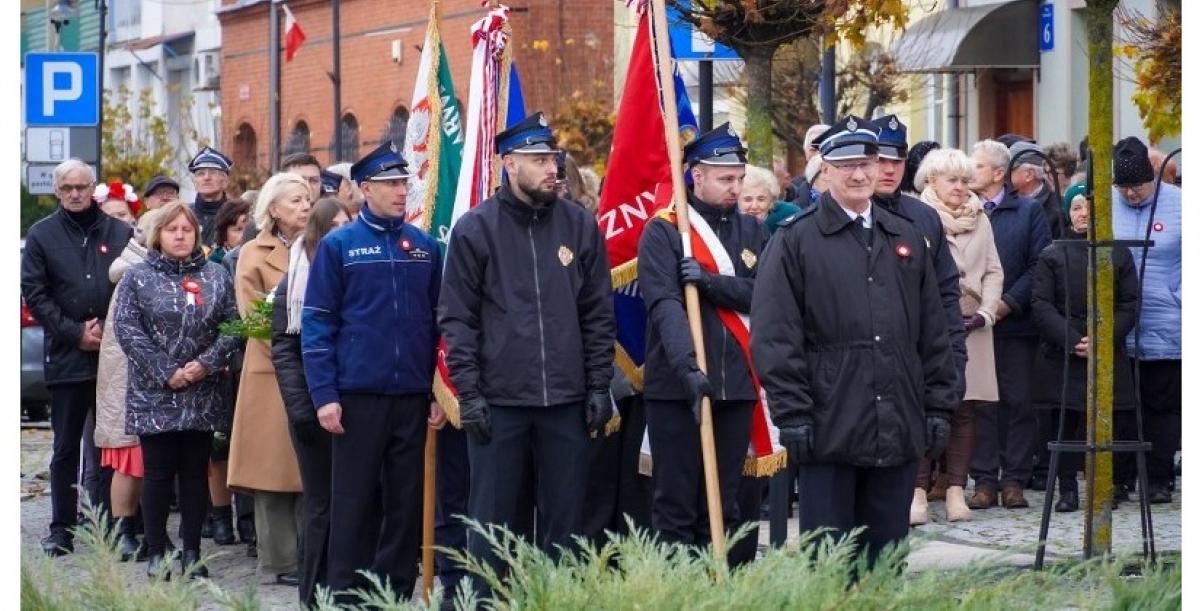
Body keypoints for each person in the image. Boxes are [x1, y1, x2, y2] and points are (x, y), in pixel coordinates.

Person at [751, 116, 957, 569]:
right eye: (847, 166)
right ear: (825, 170)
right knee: (830, 564)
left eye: (868, 163)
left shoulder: (904, 236)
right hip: (830, 424)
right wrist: (793, 413)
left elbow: (933, 328)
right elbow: (774, 336)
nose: (861, 174)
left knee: (886, 562)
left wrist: (940, 404)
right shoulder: (795, 240)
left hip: (897, 420)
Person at [439, 112, 614, 593]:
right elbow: (457, 317)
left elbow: (597, 312)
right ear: (508, 163)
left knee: (565, 524)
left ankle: (557, 602)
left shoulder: (578, 226)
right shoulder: (476, 229)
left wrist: (598, 383)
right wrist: (469, 393)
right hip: (500, 401)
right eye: (538, 160)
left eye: (552, 159)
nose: (551, 169)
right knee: (492, 526)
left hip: (565, 400)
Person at [304, 142, 445, 601]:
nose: (402, 191)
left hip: (411, 396)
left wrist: (439, 392)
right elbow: (318, 321)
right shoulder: (338, 245)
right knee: (354, 501)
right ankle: (345, 593)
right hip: (356, 396)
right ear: (365, 189)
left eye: (404, 182)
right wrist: (324, 394)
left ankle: (396, 591)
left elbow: (439, 322)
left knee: (405, 503)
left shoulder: (424, 247)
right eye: (390, 184)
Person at [635, 122, 765, 557]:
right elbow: (664, 303)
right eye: (726, 178)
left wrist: (711, 284)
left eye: (739, 178)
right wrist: (688, 367)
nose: (735, 187)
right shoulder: (666, 230)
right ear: (696, 175)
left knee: (728, 502)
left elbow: (764, 296)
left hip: (737, 383)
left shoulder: (752, 231)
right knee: (675, 504)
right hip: (678, 386)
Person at [112, 201, 239, 579]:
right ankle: (156, 551)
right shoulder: (138, 277)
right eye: (172, 230)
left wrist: (204, 364)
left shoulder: (216, 275)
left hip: (203, 388)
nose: (180, 236)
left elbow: (232, 325)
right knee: (157, 473)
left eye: (186, 230)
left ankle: (191, 551)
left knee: (196, 473)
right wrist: (168, 371)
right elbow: (127, 329)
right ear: (158, 236)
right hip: (156, 391)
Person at [23, 159, 133, 556]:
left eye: (81, 187)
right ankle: (62, 528)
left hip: (112, 355)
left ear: (93, 189)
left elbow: (133, 287)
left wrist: (106, 327)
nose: (74, 193)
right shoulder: (41, 235)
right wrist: (74, 332)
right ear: (57, 190)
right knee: (66, 447)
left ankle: (107, 525)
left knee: (110, 444)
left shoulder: (120, 232)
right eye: (67, 187)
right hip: (68, 356)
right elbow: (35, 294)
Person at [909, 148, 1003, 524]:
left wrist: (985, 313)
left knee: (965, 409)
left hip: (974, 327)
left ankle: (954, 492)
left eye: (966, 180)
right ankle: (916, 492)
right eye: (953, 180)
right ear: (931, 181)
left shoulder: (981, 217)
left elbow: (994, 270)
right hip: (928, 325)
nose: (962, 188)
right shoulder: (915, 216)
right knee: (923, 405)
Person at [227, 172, 312, 585]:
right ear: (272, 209)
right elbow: (255, 319)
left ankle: (312, 553)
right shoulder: (252, 253)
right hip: (272, 370)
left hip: (317, 368)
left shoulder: (323, 246)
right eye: (295, 200)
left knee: (308, 466)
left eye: (307, 199)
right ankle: (280, 561)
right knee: (274, 471)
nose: (304, 206)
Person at [1031, 192, 1139, 512]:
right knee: (1066, 421)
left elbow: (1129, 304)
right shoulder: (1052, 254)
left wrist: (1102, 338)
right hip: (1065, 352)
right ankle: (1067, 489)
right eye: (1076, 208)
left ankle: (1108, 485)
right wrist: (1073, 339)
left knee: (1112, 418)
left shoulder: (1118, 254)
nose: (1082, 214)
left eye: (1089, 209)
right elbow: (1041, 304)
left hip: (1106, 350)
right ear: (1068, 213)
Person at [270, 197, 352, 605]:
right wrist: (303, 407)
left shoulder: (350, 270)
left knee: (351, 500)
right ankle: (313, 592)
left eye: (347, 223)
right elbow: (285, 348)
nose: (342, 231)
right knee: (320, 504)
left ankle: (345, 584)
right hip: (311, 407)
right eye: (334, 225)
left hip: (351, 402)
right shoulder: (297, 278)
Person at [966, 139, 1052, 510]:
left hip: (1017, 323)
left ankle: (1014, 478)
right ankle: (984, 479)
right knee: (981, 402)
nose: (971, 173)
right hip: (975, 323)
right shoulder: (966, 209)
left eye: (979, 166)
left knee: (1019, 401)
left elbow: (1039, 264)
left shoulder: (1028, 211)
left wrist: (1006, 304)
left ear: (999, 173)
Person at [94, 208, 166, 561]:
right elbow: (127, 333)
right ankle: (125, 530)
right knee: (131, 459)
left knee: (155, 461)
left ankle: (150, 530)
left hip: (160, 379)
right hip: (131, 378)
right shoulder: (131, 274)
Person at [1111, 136, 1181, 504]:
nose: (1131, 195)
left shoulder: (1182, 205)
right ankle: (1119, 478)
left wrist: (1179, 301)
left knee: (1161, 406)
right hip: (1121, 327)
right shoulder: (1109, 206)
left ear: (1152, 176)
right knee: (1122, 406)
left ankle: (1158, 477)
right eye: (1123, 188)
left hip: (1167, 324)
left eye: (1136, 187)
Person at [1008, 141, 1066, 239]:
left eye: (1010, 169)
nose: (1004, 174)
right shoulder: (1004, 200)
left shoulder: (1058, 208)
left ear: (1029, 174)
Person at [189, 146, 234, 247]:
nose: (206, 178)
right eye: (201, 174)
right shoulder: (185, 214)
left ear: (225, 181)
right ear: (194, 183)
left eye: (213, 173)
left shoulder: (236, 214)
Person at [208, 199, 251, 265]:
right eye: (238, 229)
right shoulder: (215, 263)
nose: (245, 234)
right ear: (224, 235)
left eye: (249, 228)